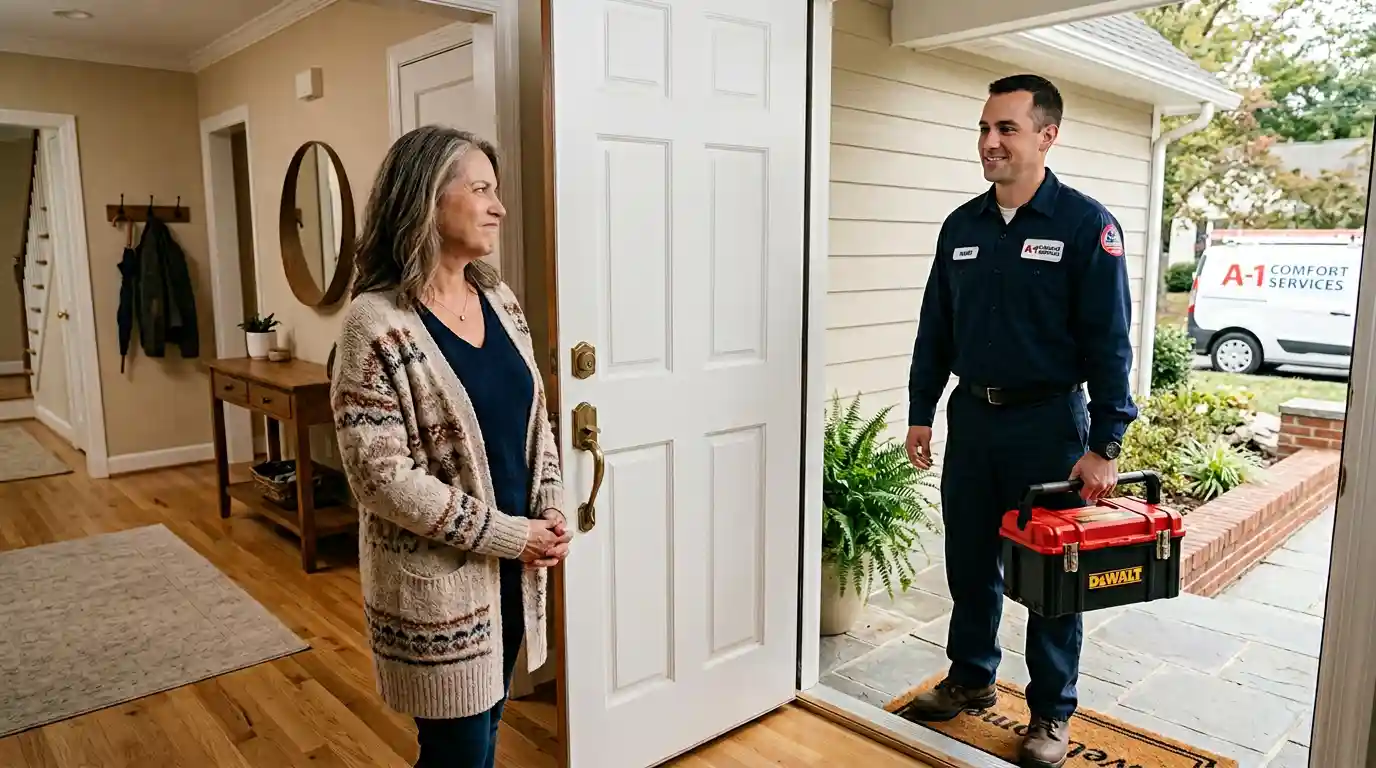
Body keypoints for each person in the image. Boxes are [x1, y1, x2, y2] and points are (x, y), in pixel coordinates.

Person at [903, 74, 1138, 768]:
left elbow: (1110, 342)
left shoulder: (1085, 226)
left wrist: (1105, 441)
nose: (990, 142)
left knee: (1050, 581)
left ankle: (1049, 714)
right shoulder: (962, 227)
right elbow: (934, 329)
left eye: (1006, 128)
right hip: (973, 419)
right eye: (984, 128)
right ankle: (971, 677)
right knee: (970, 563)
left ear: (1046, 136)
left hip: (1050, 428)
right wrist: (922, 409)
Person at [330, 125, 571, 768]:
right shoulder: (373, 324)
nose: (498, 206)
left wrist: (548, 504)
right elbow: (381, 479)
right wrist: (510, 535)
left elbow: (537, 419)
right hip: (440, 594)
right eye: (482, 189)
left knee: (485, 734)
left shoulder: (500, 299)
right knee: (458, 755)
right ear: (428, 199)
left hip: (517, 575)